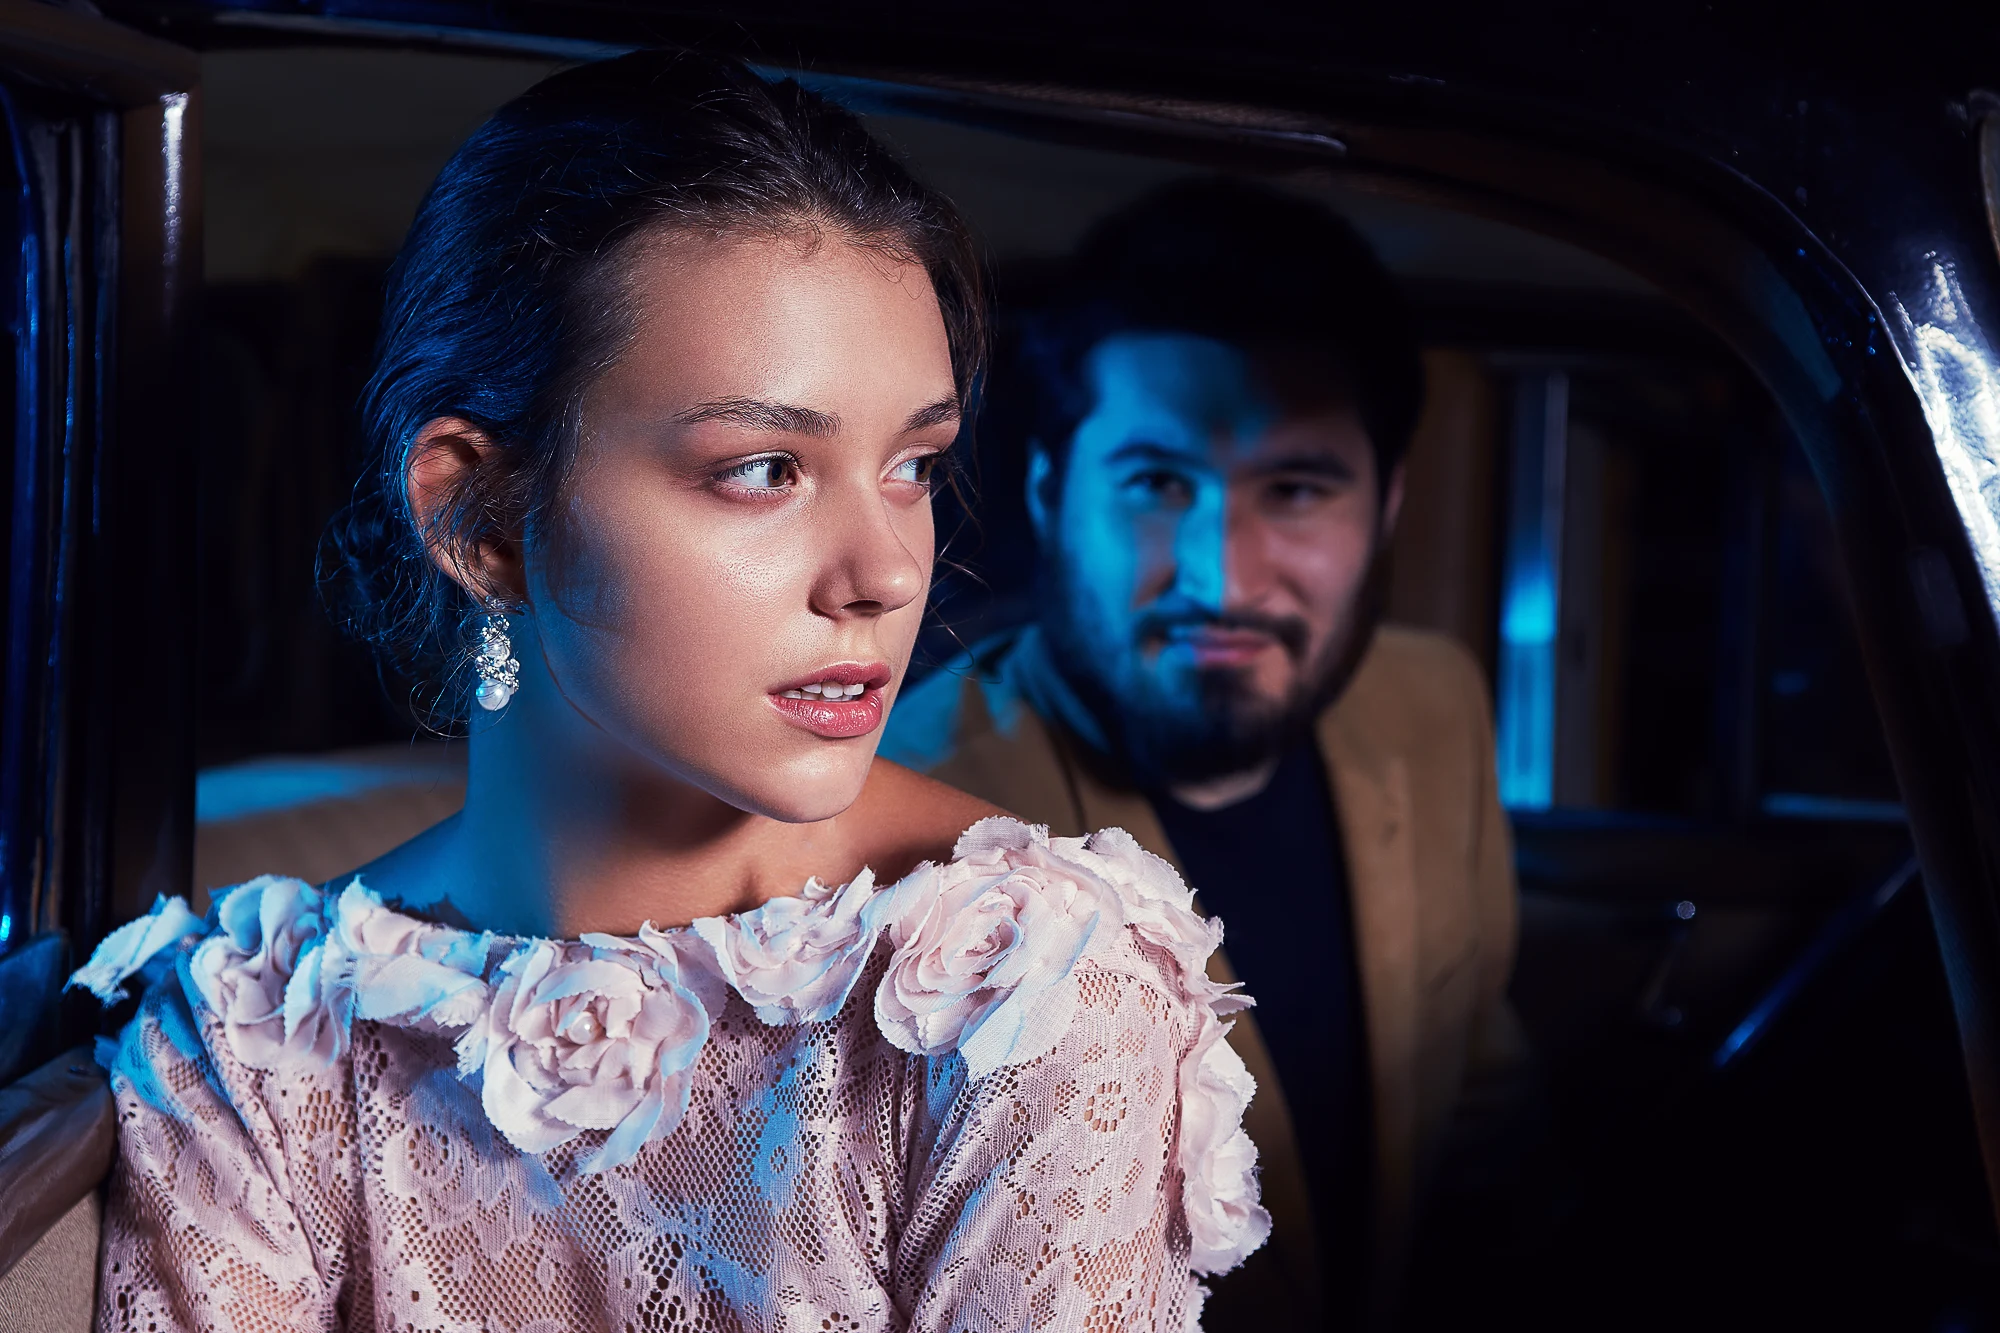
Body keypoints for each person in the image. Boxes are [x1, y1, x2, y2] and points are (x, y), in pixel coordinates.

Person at [68, 54, 1269, 1332]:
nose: (883, 573)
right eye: (763, 467)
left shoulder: (1025, 989)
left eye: (913, 465)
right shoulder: (253, 1039)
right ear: (479, 518)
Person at [882, 179, 1526, 1329]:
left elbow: (1476, 1097)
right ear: (1047, 495)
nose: (1219, 579)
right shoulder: (903, 824)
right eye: (1156, 485)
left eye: (1294, 489)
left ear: (1382, 514)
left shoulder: (1434, 707)